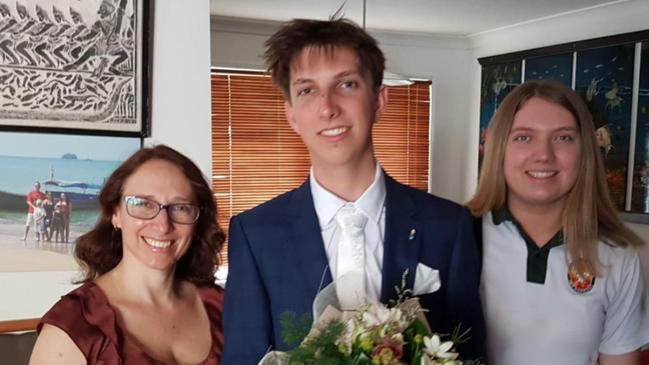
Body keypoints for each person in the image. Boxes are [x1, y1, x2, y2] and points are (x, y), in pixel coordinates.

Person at [222, 18, 485, 364]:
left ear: (378, 100)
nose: (328, 107)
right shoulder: (254, 234)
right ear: (291, 115)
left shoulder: (449, 225)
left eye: (346, 84)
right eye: (307, 90)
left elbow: (470, 355)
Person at [467, 80, 649, 365]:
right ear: (498, 147)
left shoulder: (618, 255)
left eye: (563, 138)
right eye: (524, 137)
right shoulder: (457, 235)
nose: (544, 155)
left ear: (585, 152)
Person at [30, 145, 225, 365]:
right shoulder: (73, 326)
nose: (162, 226)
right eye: (143, 204)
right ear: (115, 214)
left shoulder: (222, 306)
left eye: (181, 207)